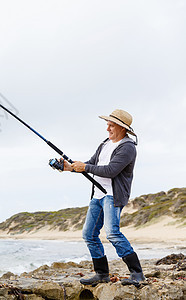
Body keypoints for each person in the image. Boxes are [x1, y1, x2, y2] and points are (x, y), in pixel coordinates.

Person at [62, 109, 145, 287]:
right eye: (107, 124)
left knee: (113, 233)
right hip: (97, 195)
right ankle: (101, 274)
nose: (107, 128)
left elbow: (110, 170)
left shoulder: (127, 147)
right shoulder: (105, 143)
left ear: (122, 128)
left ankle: (137, 274)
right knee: (89, 234)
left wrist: (84, 167)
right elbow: (91, 164)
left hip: (112, 196)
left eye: (111, 125)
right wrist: (69, 167)